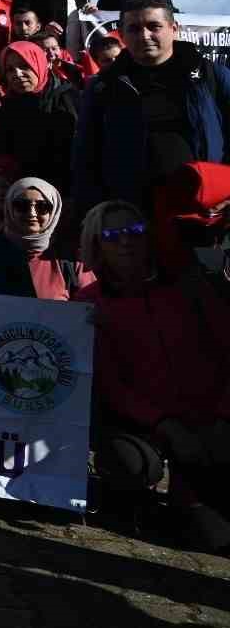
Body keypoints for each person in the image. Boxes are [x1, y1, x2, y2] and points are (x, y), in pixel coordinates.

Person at [77, 199, 230, 553]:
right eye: (113, 235)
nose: (126, 241)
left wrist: (223, 417)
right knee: (130, 465)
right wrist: (165, 425)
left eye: (134, 231)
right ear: (97, 244)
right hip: (146, 426)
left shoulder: (189, 287)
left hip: (211, 419)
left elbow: (226, 351)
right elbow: (109, 381)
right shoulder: (90, 302)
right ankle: (131, 498)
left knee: (214, 538)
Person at [73, 0, 230, 217]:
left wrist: (225, 192)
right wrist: (95, 213)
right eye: (134, 29)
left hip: (202, 213)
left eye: (154, 26)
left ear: (173, 29)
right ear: (122, 34)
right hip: (131, 218)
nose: (144, 36)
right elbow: (86, 157)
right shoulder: (102, 86)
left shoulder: (211, 76)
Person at [0, 41, 79, 193]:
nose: (17, 74)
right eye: (10, 70)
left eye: (24, 66)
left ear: (39, 64)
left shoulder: (69, 99)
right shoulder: (7, 107)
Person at [1, 177, 92, 300]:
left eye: (42, 206)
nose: (32, 213)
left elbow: (88, 310)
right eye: (22, 205)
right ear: (9, 208)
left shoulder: (70, 261)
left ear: (54, 211)